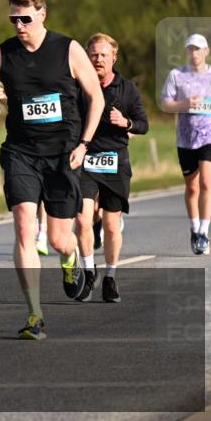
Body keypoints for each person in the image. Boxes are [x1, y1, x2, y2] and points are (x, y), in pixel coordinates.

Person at [0, 0, 103, 340]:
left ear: (42, 14)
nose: (19, 25)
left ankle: (70, 259)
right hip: (21, 152)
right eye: (13, 19)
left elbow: (95, 98)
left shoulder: (68, 49)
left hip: (63, 154)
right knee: (23, 227)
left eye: (25, 18)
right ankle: (35, 314)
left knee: (62, 238)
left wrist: (85, 143)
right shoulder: (2, 54)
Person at [75, 33, 148, 302]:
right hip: (85, 158)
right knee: (82, 219)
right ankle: (87, 271)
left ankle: (110, 278)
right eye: (94, 54)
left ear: (113, 57)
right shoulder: (78, 86)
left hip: (115, 160)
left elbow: (143, 124)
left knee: (111, 225)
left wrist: (126, 123)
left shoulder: (127, 89)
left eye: (104, 55)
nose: (98, 59)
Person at [159, 33, 211, 256]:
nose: (194, 53)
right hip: (186, 137)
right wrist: (184, 104)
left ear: (206, 51)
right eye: (190, 49)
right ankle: (194, 228)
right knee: (192, 186)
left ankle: (203, 234)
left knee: (207, 182)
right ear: (187, 52)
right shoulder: (177, 75)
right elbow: (166, 104)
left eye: (198, 49)